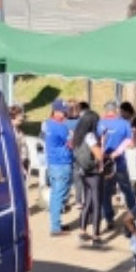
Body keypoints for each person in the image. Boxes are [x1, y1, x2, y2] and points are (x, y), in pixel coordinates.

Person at [97, 99, 136, 224]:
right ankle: (134, 215)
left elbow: (96, 141)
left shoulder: (99, 123)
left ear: (106, 110)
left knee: (106, 191)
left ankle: (109, 218)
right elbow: (129, 141)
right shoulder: (124, 123)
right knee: (126, 189)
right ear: (116, 110)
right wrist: (117, 152)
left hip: (104, 162)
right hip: (119, 161)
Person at [71, 108, 106, 244]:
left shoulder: (77, 136)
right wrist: (102, 144)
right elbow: (99, 155)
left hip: (83, 172)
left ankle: (82, 230)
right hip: (94, 172)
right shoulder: (90, 136)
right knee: (96, 203)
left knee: (87, 201)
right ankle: (96, 235)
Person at [41, 100, 73, 237]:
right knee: (59, 194)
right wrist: (72, 135)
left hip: (53, 162)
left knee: (57, 193)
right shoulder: (61, 127)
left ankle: (57, 223)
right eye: (63, 111)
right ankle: (55, 226)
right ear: (56, 111)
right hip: (62, 162)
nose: (65, 114)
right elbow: (71, 144)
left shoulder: (47, 124)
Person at [8, 105, 29, 175]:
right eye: (20, 116)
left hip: (22, 164)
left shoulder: (18, 131)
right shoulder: (9, 133)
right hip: (15, 166)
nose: (22, 118)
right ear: (13, 117)